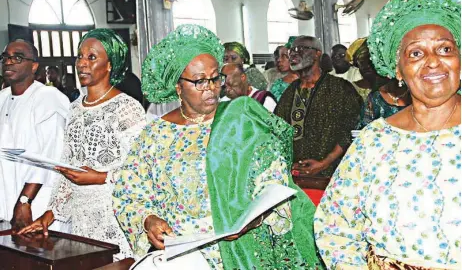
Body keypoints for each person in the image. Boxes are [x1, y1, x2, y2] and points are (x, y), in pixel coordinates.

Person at [113, 24, 322, 269]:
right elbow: (130, 193)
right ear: (178, 87)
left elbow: (273, 179)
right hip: (182, 255)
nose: (211, 88)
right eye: (200, 81)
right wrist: (148, 220)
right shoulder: (155, 135)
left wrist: (253, 218)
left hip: (239, 249)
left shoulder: (241, 120)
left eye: (216, 78)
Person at [314, 0, 461, 269]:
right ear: (398, 71)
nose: (433, 61)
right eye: (416, 53)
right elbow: (335, 225)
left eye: (445, 49)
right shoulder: (375, 140)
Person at [19, 29, 146, 260]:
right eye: (80, 56)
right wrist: (49, 216)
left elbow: (142, 170)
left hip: (115, 216)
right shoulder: (75, 108)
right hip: (81, 221)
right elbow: (68, 167)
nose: (82, 64)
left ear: (110, 65)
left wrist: (99, 177)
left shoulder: (127, 108)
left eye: (92, 57)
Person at [0, 39, 69, 230]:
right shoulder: (2, 98)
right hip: (6, 203)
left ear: (34, 66)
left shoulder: (48, 98)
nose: (8, 62)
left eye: (18, 57)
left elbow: (48, 155)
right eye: (5, 57)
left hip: (37, 206)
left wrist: (24, 200)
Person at [275, 36, 362, 178]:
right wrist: (288, 164)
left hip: (333, 176)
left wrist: (325, 162)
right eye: (291, 51)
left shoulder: (340, 88)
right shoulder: (290, 92)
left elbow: (350, 129)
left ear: (317, 53)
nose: (293, 54)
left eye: (301, 49)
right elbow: (278, 131)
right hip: (296, 177)